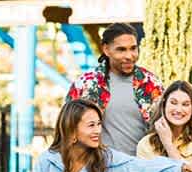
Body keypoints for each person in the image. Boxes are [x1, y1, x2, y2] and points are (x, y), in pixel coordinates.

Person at [24, 100, 192, 172]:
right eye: (91, 125)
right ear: (72, 130)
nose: (98, 130)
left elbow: (147, 169)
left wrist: (186, 168)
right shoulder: (47, 162)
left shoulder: (110, 160)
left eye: (99, 124)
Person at [66, 23, 163, 156]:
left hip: (142, 168)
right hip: (98, 168)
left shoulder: (150, 82)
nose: (129, 56)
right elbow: (68, 127)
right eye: (121, 50)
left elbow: (164, 128)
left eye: (133, 48)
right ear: (106, 49)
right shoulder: (85, 84)